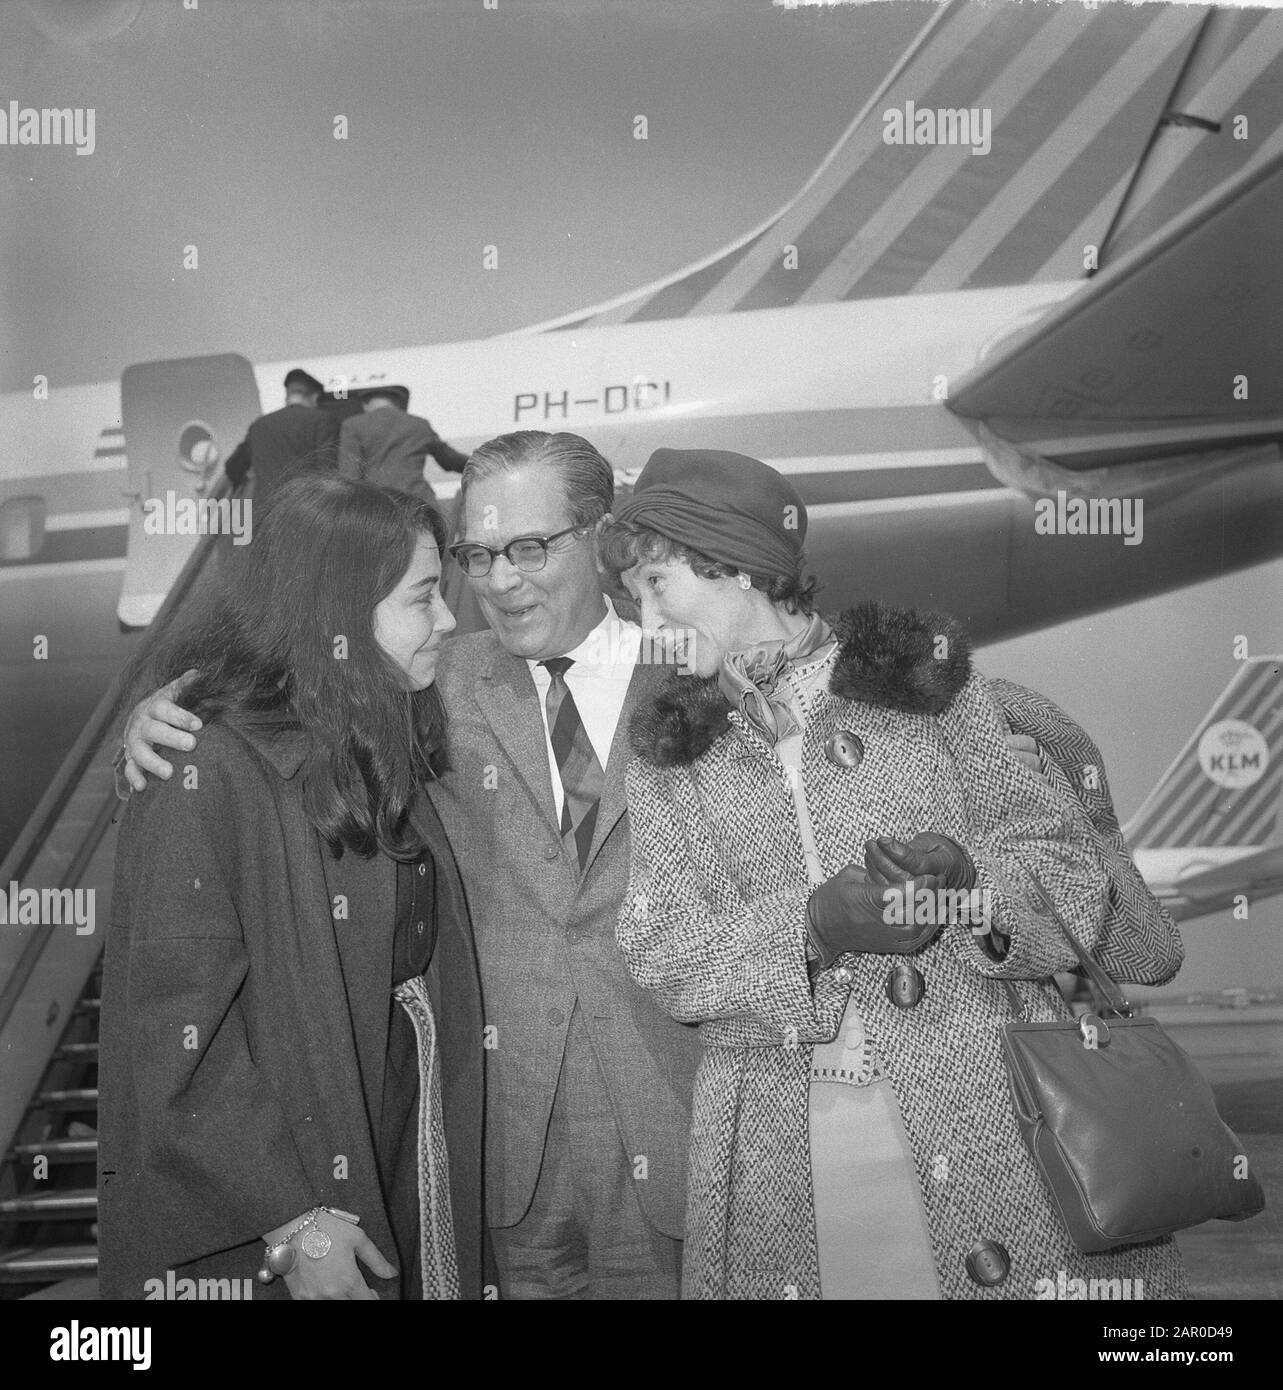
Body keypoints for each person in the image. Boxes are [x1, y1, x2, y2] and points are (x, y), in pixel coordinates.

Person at [116, 431, 1163, 1299]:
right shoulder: (429, 683)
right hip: (500, 1153)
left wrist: (966, 887)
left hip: (702, 1131)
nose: (497, 581)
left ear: (604, 540)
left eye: (528, 546)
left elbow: (1076, 886)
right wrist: (169, 709)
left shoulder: (711, 701)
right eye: (476, 558)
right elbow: (297, 675)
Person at [603, 446, 1188, 1300]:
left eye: (658, 587)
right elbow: (659, 949)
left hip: (992, 1114)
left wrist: (969, 883)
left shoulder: (926, 681)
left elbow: (1067, 875)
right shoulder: (669, 752)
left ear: (738, 569)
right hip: (782, 1141)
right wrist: (811, 929)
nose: (645, 615)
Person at [98, 476, 486, 1300]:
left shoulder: (374, 733)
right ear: (340, 612)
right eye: (423, 597)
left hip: (396, 1124)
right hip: (281, 1202)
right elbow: (172, 1034)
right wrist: (293, 1217)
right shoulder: (202, 767)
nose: (449, 621)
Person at [223, 368, 340, 511]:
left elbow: (233, 466)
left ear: (288, 395)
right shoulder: (322, 420)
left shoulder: (259, 425)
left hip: (263, 512)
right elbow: (327, 470)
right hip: (304, 511)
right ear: (315, 397)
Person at [338, 385, 470, 501]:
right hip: (418, 499)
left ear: (365, 404)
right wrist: (482, 461)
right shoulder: (419, 424)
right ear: (397, 404)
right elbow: (450, 459)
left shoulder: (353, 425)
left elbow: (350, 473)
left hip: (379, 504)